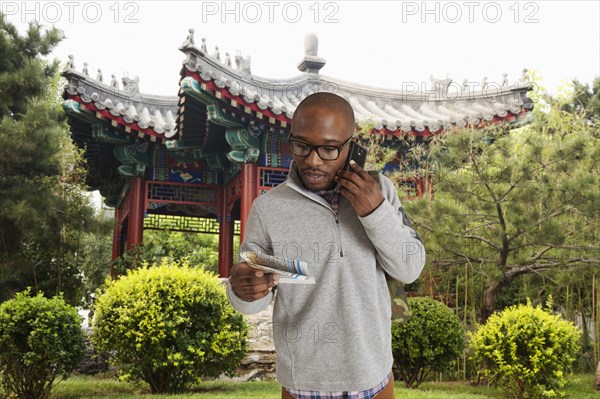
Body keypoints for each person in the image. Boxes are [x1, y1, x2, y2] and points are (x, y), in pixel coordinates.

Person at [226, 92, 425, 399]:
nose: (313, 160)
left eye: (330, 148)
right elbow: (253, 295)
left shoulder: (380, 191)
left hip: (374, 377)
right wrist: (242, 288)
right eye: (302, 145)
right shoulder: (268, 209)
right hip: (302, 383)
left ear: (350, 145)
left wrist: (375, 212)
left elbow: (410, 268)